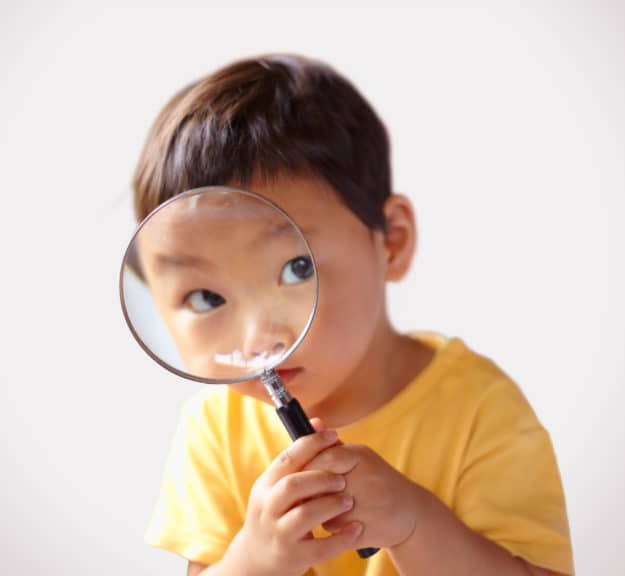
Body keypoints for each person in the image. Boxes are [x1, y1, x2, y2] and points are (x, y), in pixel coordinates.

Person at [132, 53, 574, 576]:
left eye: (296, 268)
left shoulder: (480, 410)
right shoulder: (214, 429)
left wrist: (415, 525)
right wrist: (256, 560)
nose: (258, 339)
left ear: (392, 241)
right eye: (207, 298)